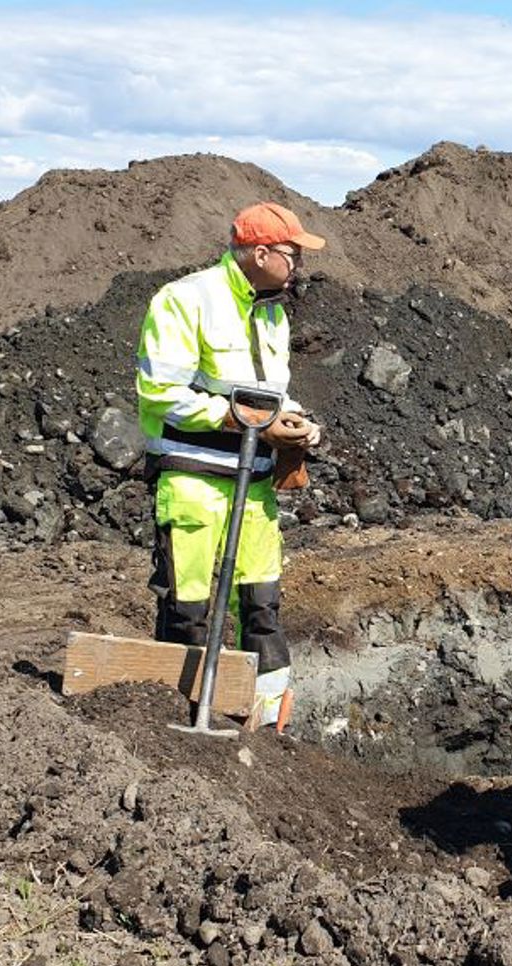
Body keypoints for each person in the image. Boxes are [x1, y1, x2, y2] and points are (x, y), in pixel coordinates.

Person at [135, 202, 326, 730]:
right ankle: (186, 719)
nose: (298, 266)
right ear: (260, 253)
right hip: (194, 479)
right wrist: (243, 424)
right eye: (292, 255)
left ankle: (265, 722)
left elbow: (271, 395)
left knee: (261, 606)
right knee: (189, 608)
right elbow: (161, 395)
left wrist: (295, 424)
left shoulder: (271, 314)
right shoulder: (184, 300)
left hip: (255, 479)